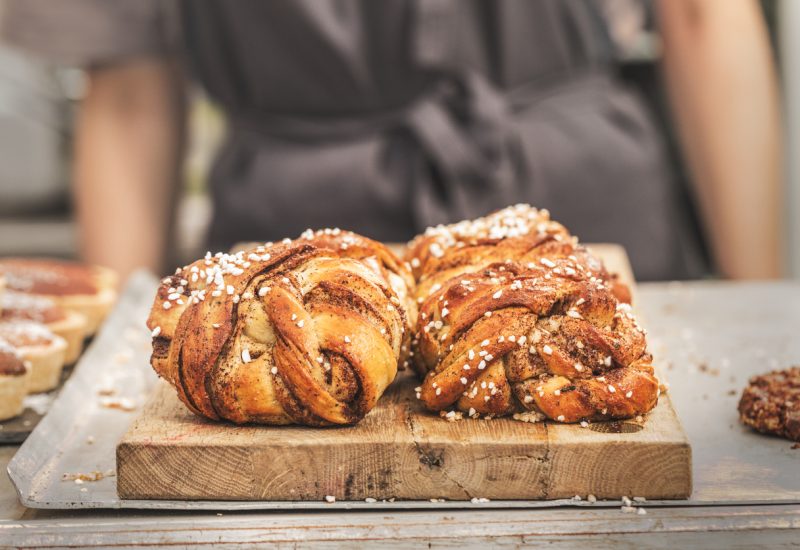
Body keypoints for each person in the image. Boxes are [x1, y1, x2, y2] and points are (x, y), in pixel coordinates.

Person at [1, 0, 782, 282]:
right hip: (284, 263)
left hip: (594, 234)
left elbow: (706, 15)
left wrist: (759, 311)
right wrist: (109, 387)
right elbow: (133, 92)